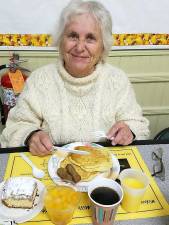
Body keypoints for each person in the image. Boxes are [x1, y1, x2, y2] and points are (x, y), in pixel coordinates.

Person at [0, 0, 149, 156]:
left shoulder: (117, 80)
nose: (79, 47)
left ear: (103, 45)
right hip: (51, 169)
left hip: (105, 171)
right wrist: (30, 136)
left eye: (90, 38)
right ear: (60, 40)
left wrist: (129, 131)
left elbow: (138, 125)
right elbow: (15, 127)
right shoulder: (39, 79)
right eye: (73, 36)